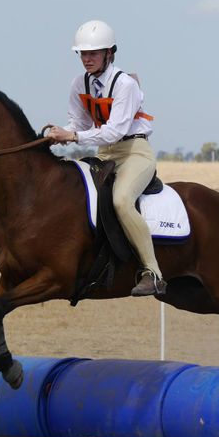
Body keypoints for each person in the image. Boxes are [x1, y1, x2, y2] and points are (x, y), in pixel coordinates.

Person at [47, 19, 166, 296]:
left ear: (109, 53)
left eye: (93, 53)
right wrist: (59, 132)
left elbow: (114, 132)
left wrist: (73, 137)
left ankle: (153, 272)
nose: (86, 59)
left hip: (134, 152)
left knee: (122, 200)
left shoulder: (125, 85)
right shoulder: (79, 83)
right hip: (103, 153)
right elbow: (77, 122)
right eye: (83, 54)